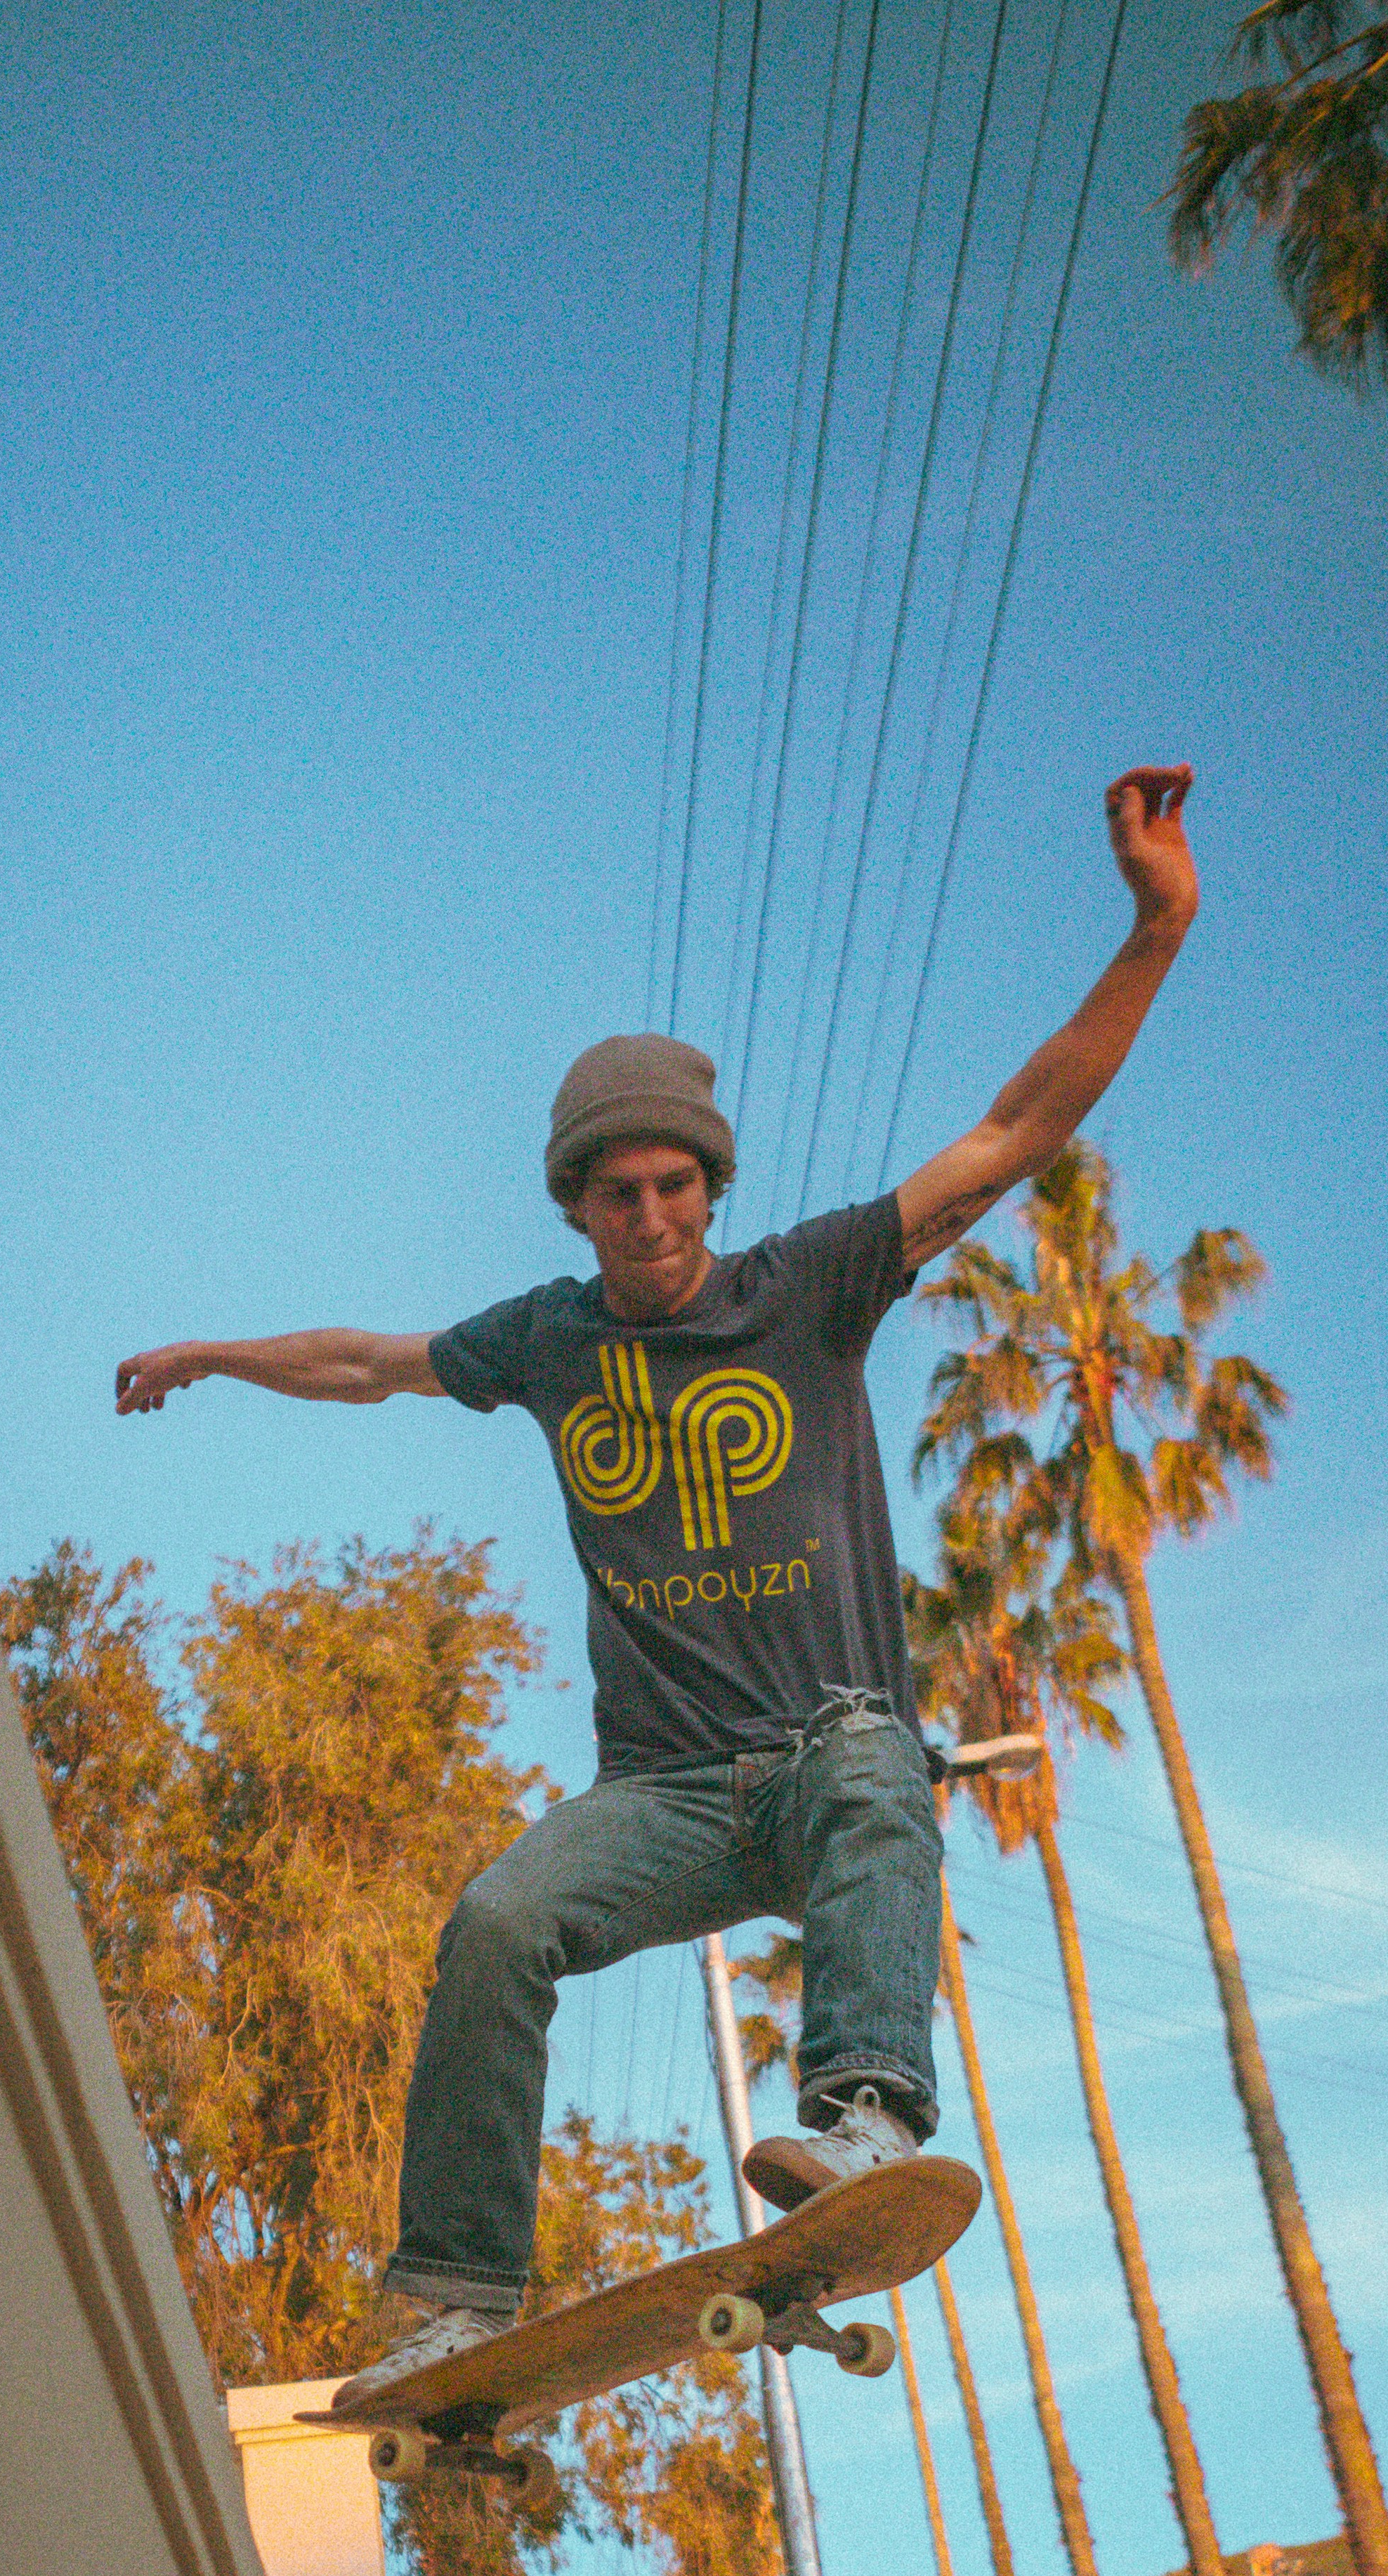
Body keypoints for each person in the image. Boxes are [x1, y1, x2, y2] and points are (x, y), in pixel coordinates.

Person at [116, 765, 1198, 2407]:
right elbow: (368, 1361)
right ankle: (460, 2292)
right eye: (614, 1196)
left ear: (710, 1185)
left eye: (671, 1187)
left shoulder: (813, 1281)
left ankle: (862, 2116)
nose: (647, 1219)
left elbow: (1015, 1129)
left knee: (874, 1761)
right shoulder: (549, 1339)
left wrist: (1153, 922)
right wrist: (214, 1352)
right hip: (669, 1793)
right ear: (578, 1206)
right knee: (495, 1920)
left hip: (822, 1738)